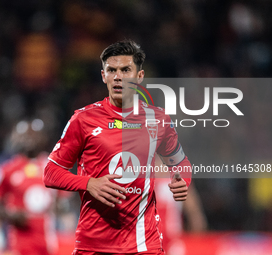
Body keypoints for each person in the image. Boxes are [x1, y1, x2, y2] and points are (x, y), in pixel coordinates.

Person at [43, 40, 192, 255]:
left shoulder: (159, 120)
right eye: (111, 70)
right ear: (103, 76)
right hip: (93, 245)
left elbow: (180, 162)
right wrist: (88, 183)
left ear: (139, 76)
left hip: (143, 244)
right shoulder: (83, 119)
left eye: (125, 70)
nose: (118, 77)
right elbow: (50, 173)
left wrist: (182, 181)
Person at [0, 118, 59, 255]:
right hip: (18, 246)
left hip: (48, 245)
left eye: (34, 134)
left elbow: (64, 204)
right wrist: (9, 215)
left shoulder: (54, 167)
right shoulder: (6, 170)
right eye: (25, 134)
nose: (30, 139)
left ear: (43, 137)